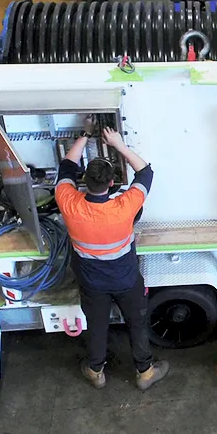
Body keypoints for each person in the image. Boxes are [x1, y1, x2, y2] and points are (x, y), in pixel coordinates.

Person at [55, 120, 168, 392]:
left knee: (96, 325)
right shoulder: (124, 207)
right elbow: (146, 173)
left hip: (92, 282)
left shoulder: (68, 203)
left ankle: (95, 371)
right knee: (137, 322)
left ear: (84, 182)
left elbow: (66, 167)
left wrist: (85, 134)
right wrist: (118, 143)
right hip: (126, 279)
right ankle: (145, 371)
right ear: (113, 183)